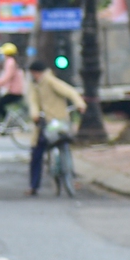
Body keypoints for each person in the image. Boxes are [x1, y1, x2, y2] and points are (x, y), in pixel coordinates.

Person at [25, 57, 83, 196]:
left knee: (58, 146)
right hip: (44, 122)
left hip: (57, 122)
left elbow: (70, 92)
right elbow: (33, 103)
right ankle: (34, 186)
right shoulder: (34, 86)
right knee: (37, 153)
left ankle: (69, 175)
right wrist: (35, 115)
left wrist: (80, 104)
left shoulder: (50, 82)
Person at [0, 42, 28, 124]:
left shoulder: (10, 63)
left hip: (14, 92)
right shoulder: (13, 62)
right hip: (15, 91)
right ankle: (7, 123)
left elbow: (5, 79)